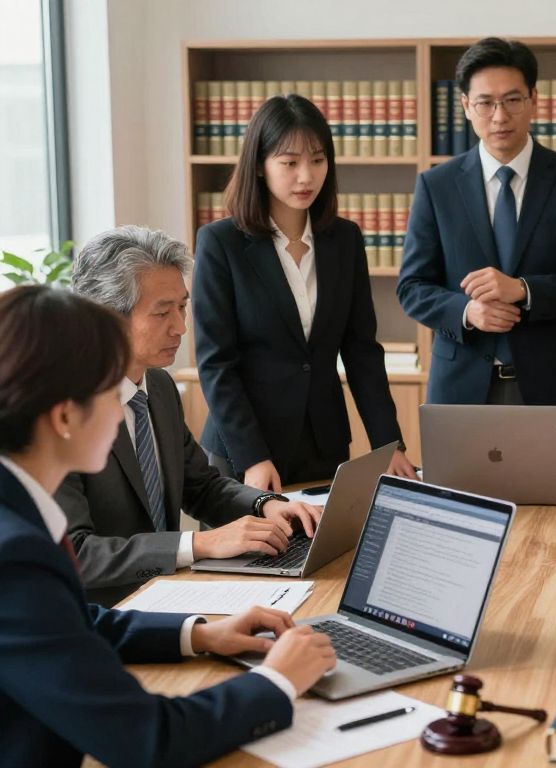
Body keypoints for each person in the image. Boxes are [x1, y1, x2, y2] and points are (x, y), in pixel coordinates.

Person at [0, 284, 336, 767]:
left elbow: (68, 622)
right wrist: (277, 681)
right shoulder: (14, 556)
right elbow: (148, 739)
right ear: (65, 416)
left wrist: (199, 634)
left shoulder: (18, 514)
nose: (122, 408)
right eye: (108, 391)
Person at [57, 226, 322, 606]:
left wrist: (267, 504)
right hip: (100, 617)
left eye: (182, 307)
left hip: (169, 596)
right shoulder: (59, 412)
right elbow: (76, 554)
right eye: (163, 312)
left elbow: (201, 487)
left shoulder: (160, 388)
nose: (181, 328)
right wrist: (199, 543)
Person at [192, 94, 415, 490]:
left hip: (323, 447)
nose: (306, 177)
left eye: (317, 159)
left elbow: (361, 349)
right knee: (252, 554)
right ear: (260, 166)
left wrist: (389, 443)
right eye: (290, 162)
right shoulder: (220, 242)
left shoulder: (344, 240)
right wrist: (253, 458)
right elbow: (216, 364)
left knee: (327, 553)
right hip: (246, 452)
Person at [397, 37, 556, 437]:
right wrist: (466, 311)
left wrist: (523, 290)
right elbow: (411, 287)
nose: (499, 116)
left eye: (512, 100)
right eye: (485, 103)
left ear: (533, 99)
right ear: (465, 106)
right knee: (460, 502)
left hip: (554, 388)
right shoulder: (436, 185)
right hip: (460, 392)